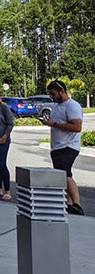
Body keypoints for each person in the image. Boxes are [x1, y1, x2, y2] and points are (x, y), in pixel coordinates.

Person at [42, 80, 85, 215]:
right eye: (50, 95)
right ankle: (68, 203)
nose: (52, 97)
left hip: (69, 146)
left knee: (65, 173)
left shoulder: (72, 106)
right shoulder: (56, 106)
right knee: (61, 176)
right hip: (57, 147)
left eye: (53, 94)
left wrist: (54, 124)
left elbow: (77, 127)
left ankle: (77, 203)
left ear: (62, 91)